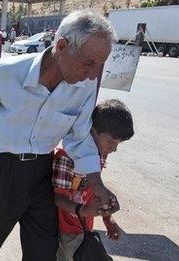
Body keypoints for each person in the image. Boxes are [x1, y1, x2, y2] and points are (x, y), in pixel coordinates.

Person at [0, 10, 119, 261]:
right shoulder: (7, 72)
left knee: (43, 252)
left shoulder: (85, 86)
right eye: (88, 63)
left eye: (100, 65)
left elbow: (79, 139)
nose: (93, 74)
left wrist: (96, 183)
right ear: (61, 46)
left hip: (41, 173)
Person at [53, 99, 134, 261]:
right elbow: (57, 198)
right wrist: (82, 211)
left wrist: (107, 216)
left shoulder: (100, 155)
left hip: (84, 226)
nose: (114, 149)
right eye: (110, 141)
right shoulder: (66, 157)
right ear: (92, 131)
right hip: (63, 230)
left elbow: (91, 190)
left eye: (118, 144)